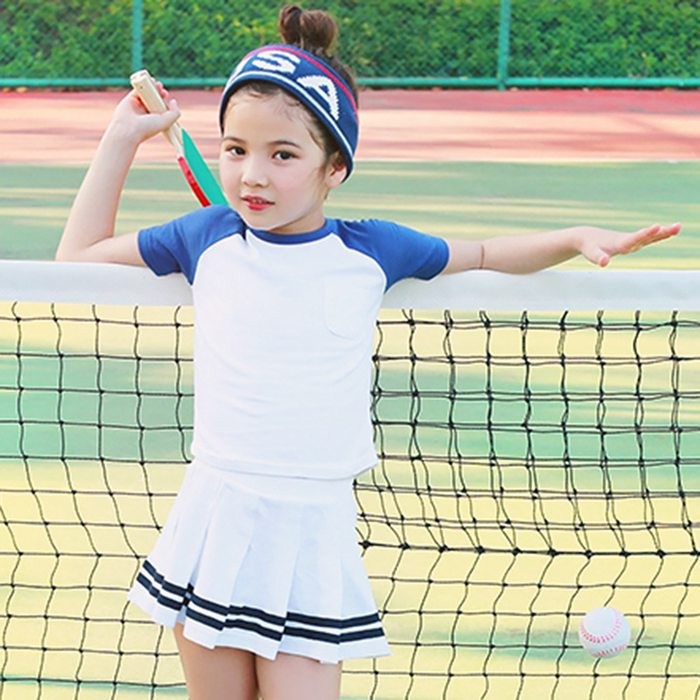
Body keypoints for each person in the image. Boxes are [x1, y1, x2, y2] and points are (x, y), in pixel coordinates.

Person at [56, 4, 680, 699]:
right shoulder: (204, 237)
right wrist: (121, 138)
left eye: (282, 155)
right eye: (235, 150)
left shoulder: (372, 249)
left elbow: (483, 253)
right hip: (218, 516)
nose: (252, 175)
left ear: (335, 168)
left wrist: (573, 237)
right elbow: (75, 259)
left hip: (313, 527)